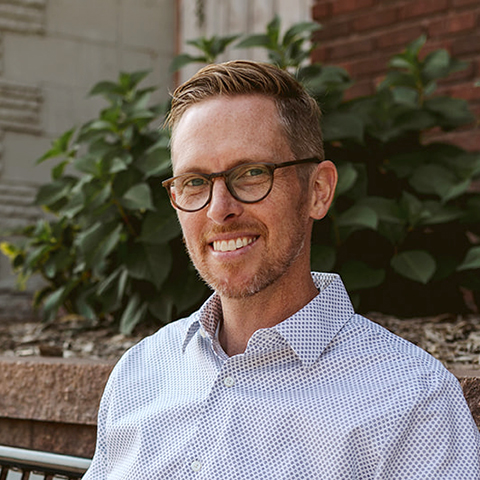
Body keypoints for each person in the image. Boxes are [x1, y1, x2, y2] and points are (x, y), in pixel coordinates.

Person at [83, 60, 480, 479]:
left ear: (318, 191)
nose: (220, 211)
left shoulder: (410, 401)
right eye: (195, 182)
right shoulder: (140, 372)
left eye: (252, 173)